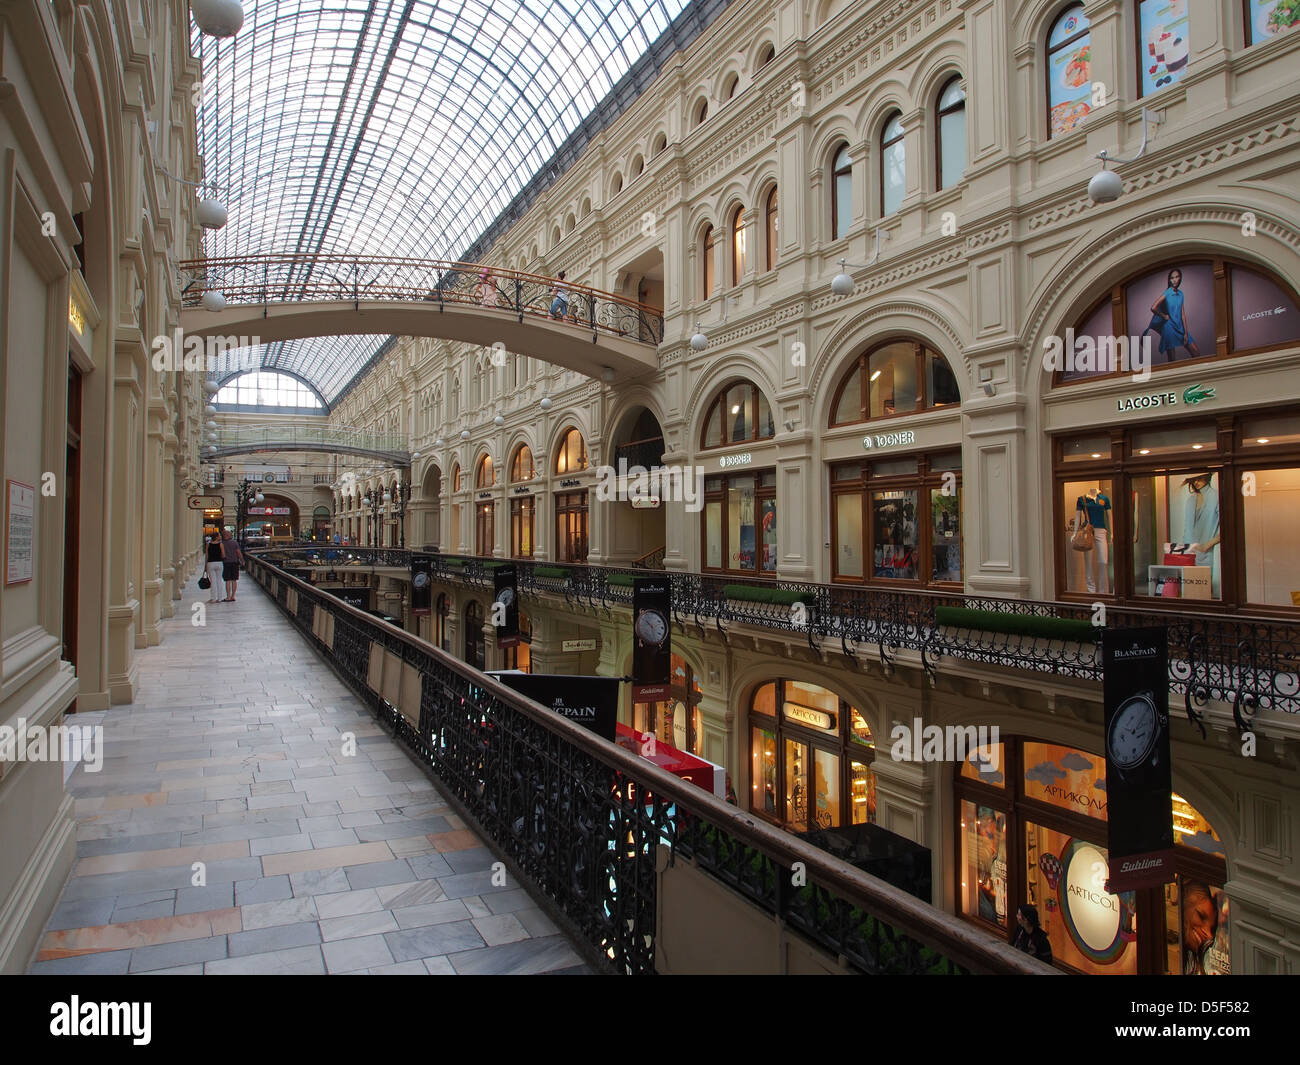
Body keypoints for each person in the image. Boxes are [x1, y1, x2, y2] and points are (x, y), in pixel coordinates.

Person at [1145, 268, 1202, 359]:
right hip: (1169, 327)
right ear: (1169, 280)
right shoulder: (1167, 293)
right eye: (1172, 278)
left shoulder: (1181, 294)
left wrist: (1186, 333)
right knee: (1172, 360)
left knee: (1196, 354)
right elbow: (1153, 307)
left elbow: (1182, 314)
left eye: (1176, 277)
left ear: (1180, 278)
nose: (1174, 280)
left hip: (1180, 327)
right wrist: (1164, 316)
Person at [1075, 486, 1112, 594]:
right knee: (1088, 562)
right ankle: (1091, 590)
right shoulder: (1082, 499)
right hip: (1088, 531)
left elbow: (1110, 516)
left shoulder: (1104, 499)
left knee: (1103, 561)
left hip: (1101, 531)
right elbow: (1078, 517)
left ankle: (1103, 591)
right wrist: (1075, 533)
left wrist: (1112, 532)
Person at [220, 528, 244, 602]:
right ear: (230, 535)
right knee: (234, 580)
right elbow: (238, 552)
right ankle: (233, 596)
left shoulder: (222, 543)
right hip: (234, 562)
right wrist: (242, 560)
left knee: (227, 580)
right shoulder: (235, 543)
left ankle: (228, 596)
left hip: (226, 563)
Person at [204, 534, 225, 603]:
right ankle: (220, 598)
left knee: (213, 581)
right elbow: (223, 555)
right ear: (216, 537)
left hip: (210, 563)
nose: (220, 536)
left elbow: (207, 555)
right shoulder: (220, 544)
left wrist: (205, 566)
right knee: (219, 580)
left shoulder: (208, 544)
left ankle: (213, 598)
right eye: (219, 535)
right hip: (219, 563)